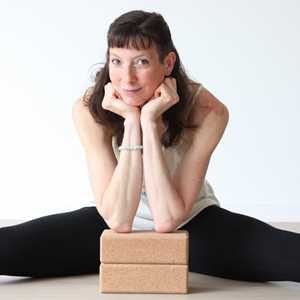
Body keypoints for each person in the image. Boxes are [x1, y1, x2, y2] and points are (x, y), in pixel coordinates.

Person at [1, 10, 299, 283]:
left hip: (193, 224)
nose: (126, 78)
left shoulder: (209, 112)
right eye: (117, 61)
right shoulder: (89, 109)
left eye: (141, 62)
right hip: (110, 222)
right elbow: (117, 219)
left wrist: (150, 124)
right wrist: (132, 122)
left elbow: (169, 219)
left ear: (167, 63)